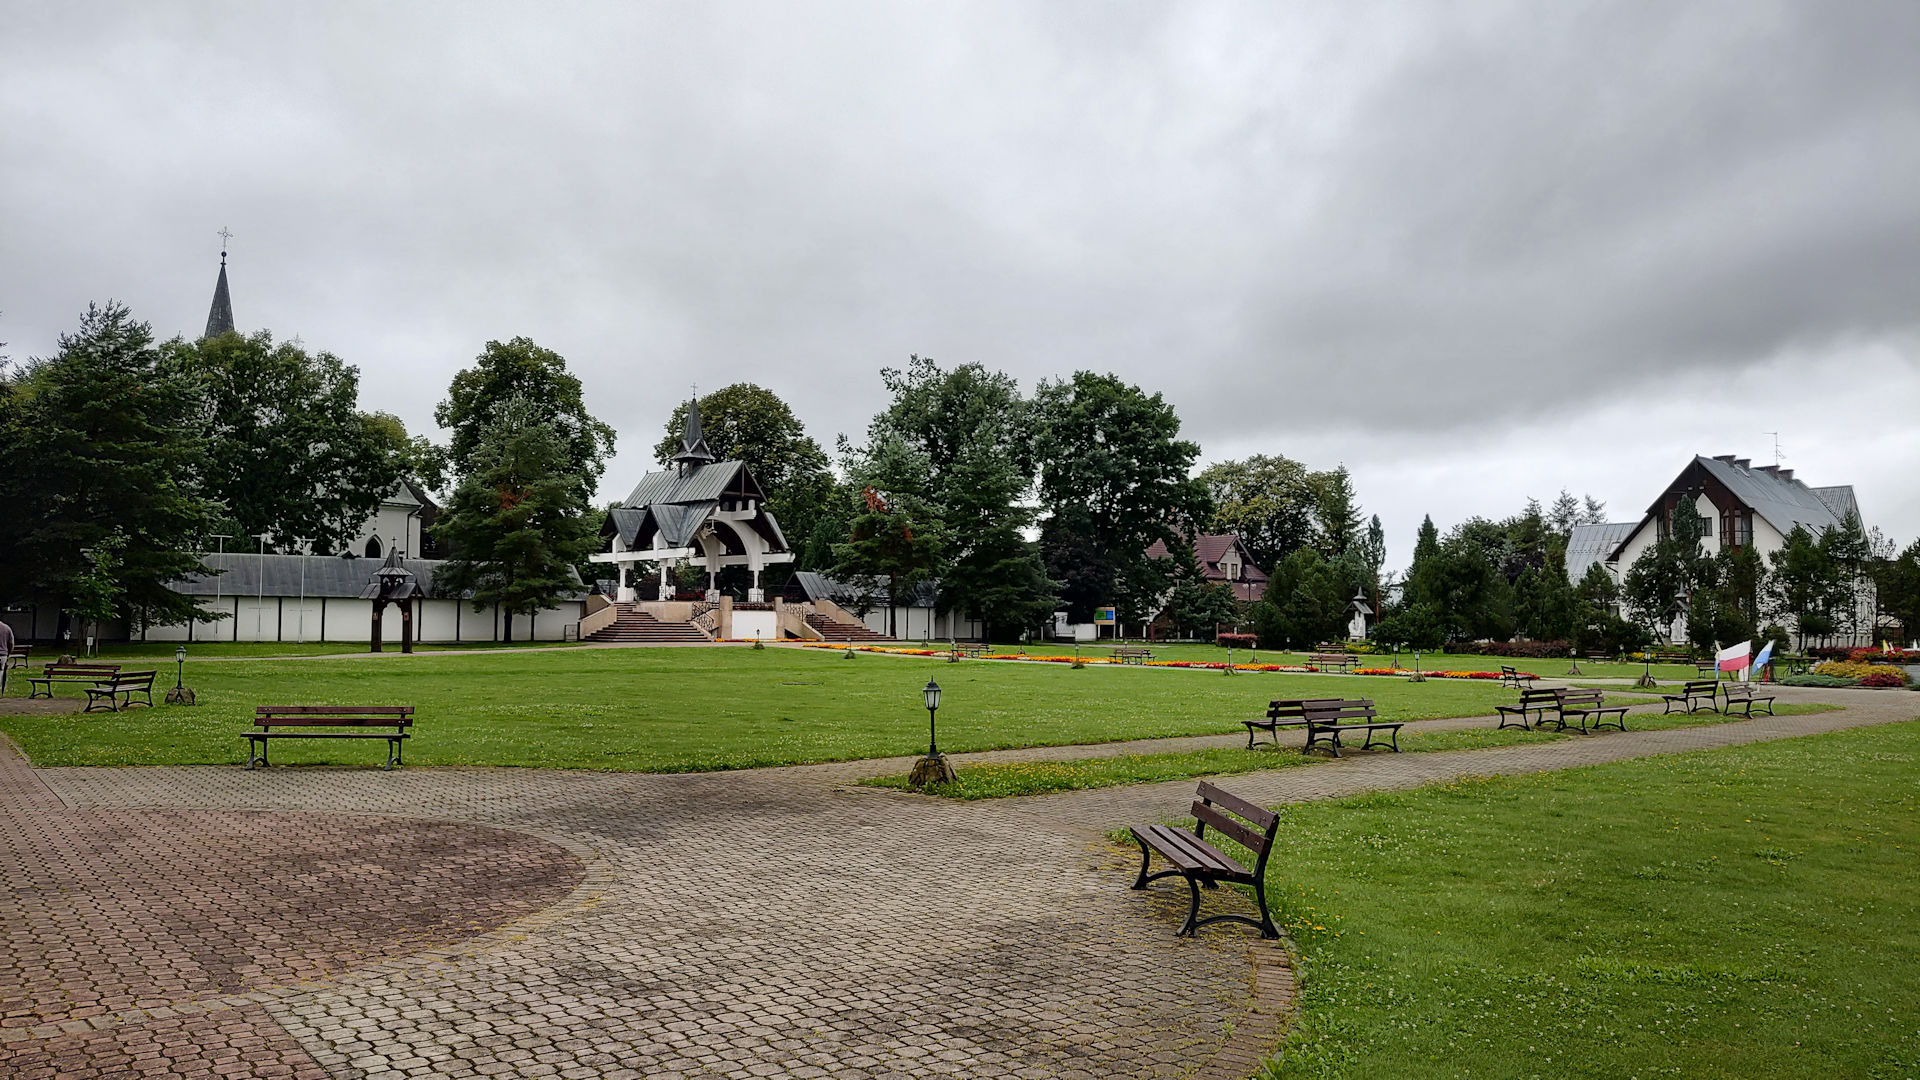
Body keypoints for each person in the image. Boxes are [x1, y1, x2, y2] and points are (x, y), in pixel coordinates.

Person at [0, 616, 15, 694]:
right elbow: (11, 643)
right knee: (1, 671)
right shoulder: (7, 628)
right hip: (3, 655)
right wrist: (8, 653)